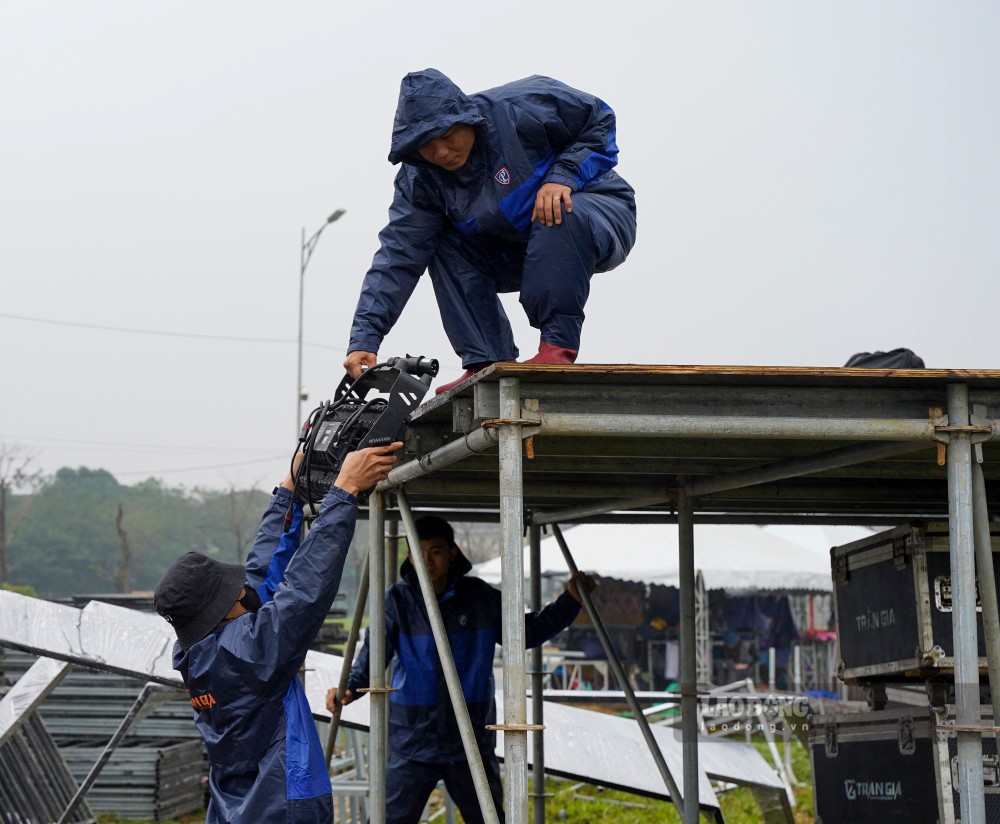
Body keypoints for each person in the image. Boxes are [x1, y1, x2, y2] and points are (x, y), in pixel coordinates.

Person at [344, 68, 638, 395]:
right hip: (520, 249)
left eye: (448, 135)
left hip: (598, 211)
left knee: (555, 205)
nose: (441, 152)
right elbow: (398, 255)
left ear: (467, 119)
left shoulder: (524, 105)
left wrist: (563, 176)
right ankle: (486, 359)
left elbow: (599, 118)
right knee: (437, 243)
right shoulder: (420, 180)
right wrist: (365, 339)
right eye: (427, 146)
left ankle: (557, 348)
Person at [153, 442, 402, 824]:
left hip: (233, 807)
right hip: (285, 804)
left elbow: (261, 576)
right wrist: (345, 490)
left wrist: (287, 492)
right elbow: (304, 590)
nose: (241, 586)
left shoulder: (200, 652)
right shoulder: (252, 649)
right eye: (231, 587)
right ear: (224, 608)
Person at [325, 515, 595, 824]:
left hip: (469, 738)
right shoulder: (397, 601)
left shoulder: (479, 598)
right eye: (418, 551)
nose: (427, 560)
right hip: (413, 740)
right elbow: (374, 655)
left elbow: (526, 631)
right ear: (409, 555)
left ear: (452, 552)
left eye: (436, 551)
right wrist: (349, 687)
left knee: (489, 819)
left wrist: (570, 600)